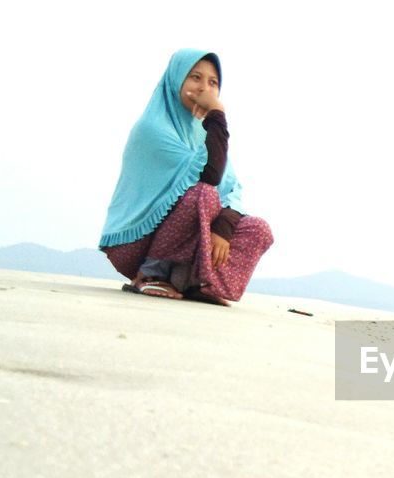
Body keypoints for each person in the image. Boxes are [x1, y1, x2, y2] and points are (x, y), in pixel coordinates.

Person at [98, 48, 273, 305]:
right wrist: (217, 114)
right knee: (203, 194)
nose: (205, 89)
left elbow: (232, 189)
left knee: (258, 229)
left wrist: (222, 228)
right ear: (176, 80)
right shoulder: (153, 129)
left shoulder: (203, 134)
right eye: (195, 78)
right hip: (135, 244)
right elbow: (210, 177)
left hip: (186, 241)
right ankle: (149, 275)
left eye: (213, 83)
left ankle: (193, 283)